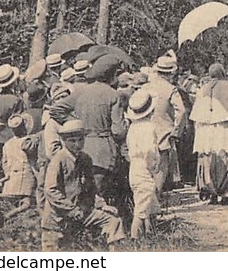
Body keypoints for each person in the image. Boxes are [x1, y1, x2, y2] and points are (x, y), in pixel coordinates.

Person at [41, 119, 125, 251]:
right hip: (57, 218)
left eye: (80, 140)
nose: (78, 144)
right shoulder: (58, 160)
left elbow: (91, 188)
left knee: (113, 221)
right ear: (64, 141)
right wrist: (71, 209)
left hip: (81, 213)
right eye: (73, 141)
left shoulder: (85, 159)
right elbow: (51, 190)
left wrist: (102, 205)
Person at [190, 63, 228, 204]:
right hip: (227, 127)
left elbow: (197, 113)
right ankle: (227, 194)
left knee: (209, 159)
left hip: (207, 129)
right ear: (223, 73)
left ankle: (212, 193)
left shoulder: (202, 89)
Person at [70, 59, 126, 200]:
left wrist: (73, 126)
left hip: (81, 145)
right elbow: (118, 130)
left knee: (85, 189)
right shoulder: (113, 94)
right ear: (111, 75)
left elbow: (57, 110)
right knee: (103, 191)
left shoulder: (80, 92)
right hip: (103, 147)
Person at [144, 54, 187, 193]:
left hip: (146, 129)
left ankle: (149, 196)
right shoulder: (170, 89)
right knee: (162, 165)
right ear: (170, 73)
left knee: (148, 165)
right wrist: (177, 130)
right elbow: (181, 111)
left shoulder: (146, 87)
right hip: (164, 130)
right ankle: (156, 196)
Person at [125, 88, 162, 240]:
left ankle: (149, 233)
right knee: (141, 209)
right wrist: (153, 164)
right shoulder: (149, 127)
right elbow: (150, 150)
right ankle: (134, 238)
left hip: (134, 167)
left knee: (146, 202)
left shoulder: (132, 128)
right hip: (144, 168)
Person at [0, 113, 36, 207]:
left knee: (9, 206)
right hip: (26, 181)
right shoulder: (29, 141)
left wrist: (8, 174)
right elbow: (34, 161)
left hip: (11, 183)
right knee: (27, 207)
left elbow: (5, 163)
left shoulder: (7, 144)